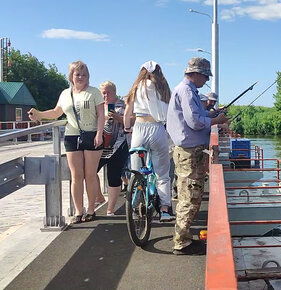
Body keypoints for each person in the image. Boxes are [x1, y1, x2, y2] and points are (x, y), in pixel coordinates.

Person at [28, 60, 104, 224]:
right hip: (72, 136)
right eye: (77, 74)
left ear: (88, 76)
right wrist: (39, 114)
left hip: (91, 135)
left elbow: (101, 115)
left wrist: (99, 134)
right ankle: (78, 210)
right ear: (71, 76)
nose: (81, 77)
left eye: (84, 74)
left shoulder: (94, 93)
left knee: (90, 175)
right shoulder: (65, 94)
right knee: (76, 176)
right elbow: (56, 113)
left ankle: (91, 209)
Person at [167, 57, 229, 255]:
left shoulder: (187, 90)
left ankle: (184, 237)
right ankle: (181, 242)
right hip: (189, 152)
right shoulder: (186, 91)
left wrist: (212, 115)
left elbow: (196, 115)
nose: (205, 80)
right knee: (189, 196)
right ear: (196, 73)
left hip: (189, 151)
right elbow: (194, 121)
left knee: (191, 195)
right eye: (204, 76)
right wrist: (215, 120)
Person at [123, 60, 173, 222]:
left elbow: (127, 114)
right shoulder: (163, 88)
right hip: (157, 129)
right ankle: (165, 210)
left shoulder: (136, 88)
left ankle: (137, 204)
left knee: (137, 172)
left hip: (139, 128)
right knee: (162, 175)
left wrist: (127, 128)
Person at [95, 81, 129, 216]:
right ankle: (100, 198)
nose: (105, 95)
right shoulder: (97, 106)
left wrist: (117, 117)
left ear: (115, 92)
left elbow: (131, 121)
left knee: (113, 176)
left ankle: (110, 208)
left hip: (118, 145)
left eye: (108, 92)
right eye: (103, 92)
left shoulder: (124, 105)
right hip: (100, 146)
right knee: (90, 173)